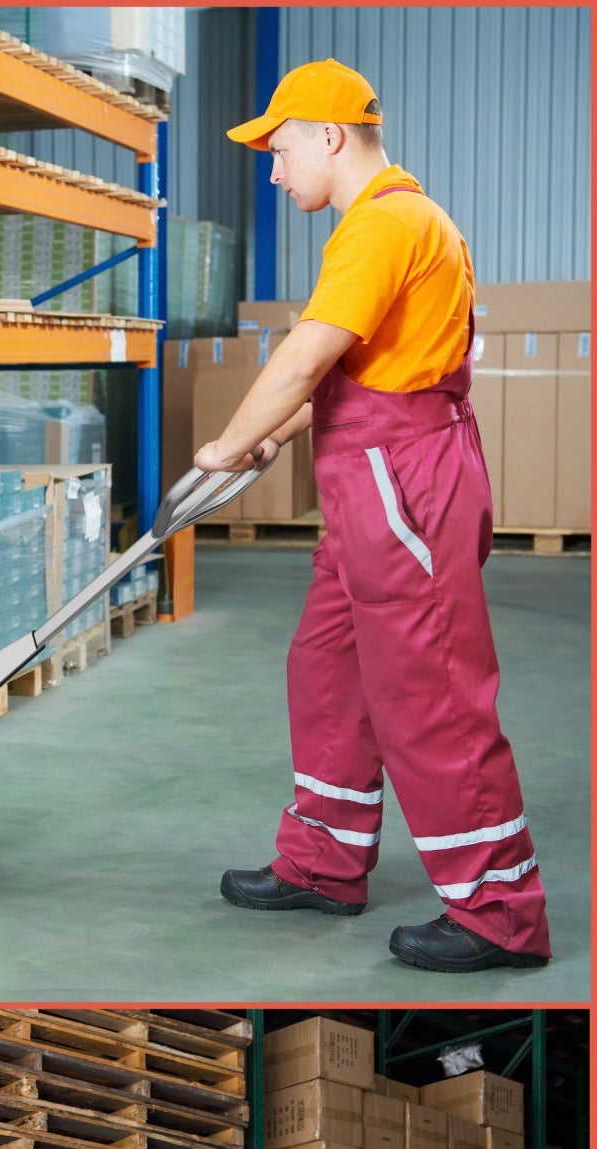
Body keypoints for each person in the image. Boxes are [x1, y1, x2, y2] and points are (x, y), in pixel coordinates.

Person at [200, 58, 549, 973]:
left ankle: (497, 912)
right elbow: (374, 373)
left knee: (428, 692)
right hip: (376, 479)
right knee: (329, 668)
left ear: (328, 135)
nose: (274, 172)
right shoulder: (392, 222)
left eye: (278, 151)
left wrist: (226, 443)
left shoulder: (384, 225)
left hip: (405, 488)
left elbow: (304, 358)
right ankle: (323, 861)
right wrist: (280, 432)